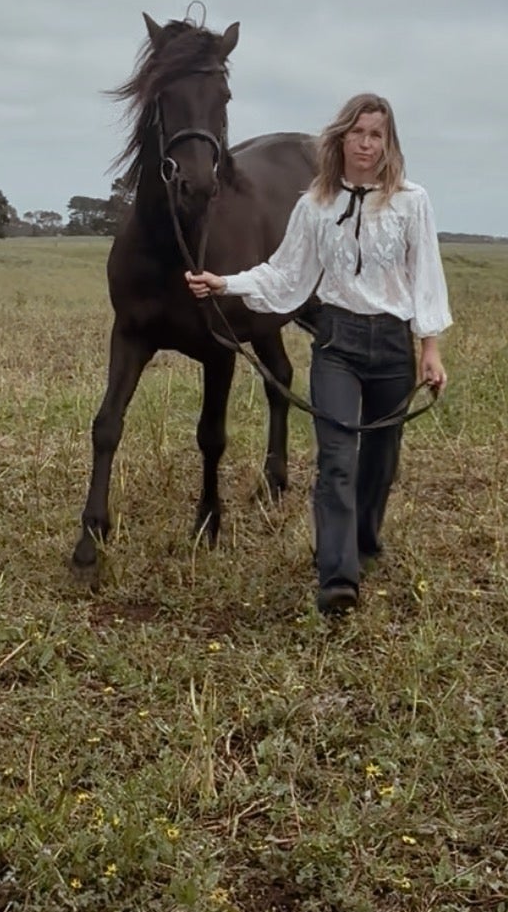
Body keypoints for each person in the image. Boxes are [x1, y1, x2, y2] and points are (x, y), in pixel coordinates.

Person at [186, 93, 450, 617]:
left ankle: (365, 542)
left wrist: (430, 349)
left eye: (377, 135)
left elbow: (426, 276)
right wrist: (226, 283)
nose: (367, 144)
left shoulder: (412, 201)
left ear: (388, 142)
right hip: (338, 344)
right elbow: (285, 273)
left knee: (380, 462)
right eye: (358, 133)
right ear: (341, 139)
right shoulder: (315, 204)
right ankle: (337, 578)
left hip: (393, 346)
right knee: (336, 462)